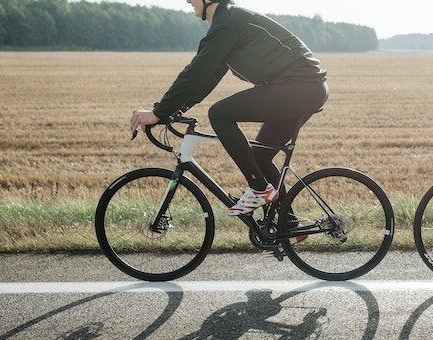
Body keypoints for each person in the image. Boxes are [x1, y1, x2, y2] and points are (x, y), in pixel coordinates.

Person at [129, 0, 328, 216]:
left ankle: (259, 189)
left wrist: (159, 112)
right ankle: (288, 225)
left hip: (300, 87)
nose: (187, 0)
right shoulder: (228, 23)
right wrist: (175, 110)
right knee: (260, 156)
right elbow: (206, 77)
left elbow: (195, 72)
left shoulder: (228, 22)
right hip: (303, 88)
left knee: (219, 113)